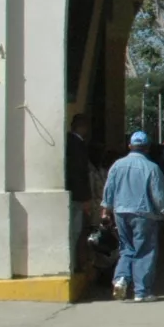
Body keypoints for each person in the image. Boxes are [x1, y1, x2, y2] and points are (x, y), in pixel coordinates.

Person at [101, 131, 164, 302]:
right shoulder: (152, 168)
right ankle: (142, 292)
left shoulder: (117, 166)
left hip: (121, 212)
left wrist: (106, 210)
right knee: (145, 251)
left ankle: (121, 279)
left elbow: (108, 190)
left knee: (126, 249)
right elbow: (159, 196)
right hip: (144, 214)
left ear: (129, 146)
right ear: (147, 148)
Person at [65, 113, 94, 270]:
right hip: (77, 196)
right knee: (75, 231)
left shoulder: (70, 142)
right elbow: (79, 173)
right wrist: (86, 198)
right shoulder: (77, 145)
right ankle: (73, 264)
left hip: (75, 194)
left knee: (76, 231)